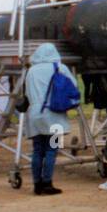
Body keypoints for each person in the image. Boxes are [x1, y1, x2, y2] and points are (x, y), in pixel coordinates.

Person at [24, 43, 77, 196]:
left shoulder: (31, 71)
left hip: (34, 115)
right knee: (52, 149)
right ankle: (48, 183)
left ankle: (37, 184)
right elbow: (72, 88)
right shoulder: (60, 68)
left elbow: (27, 92)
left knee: (37, 150)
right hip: (55, 115)